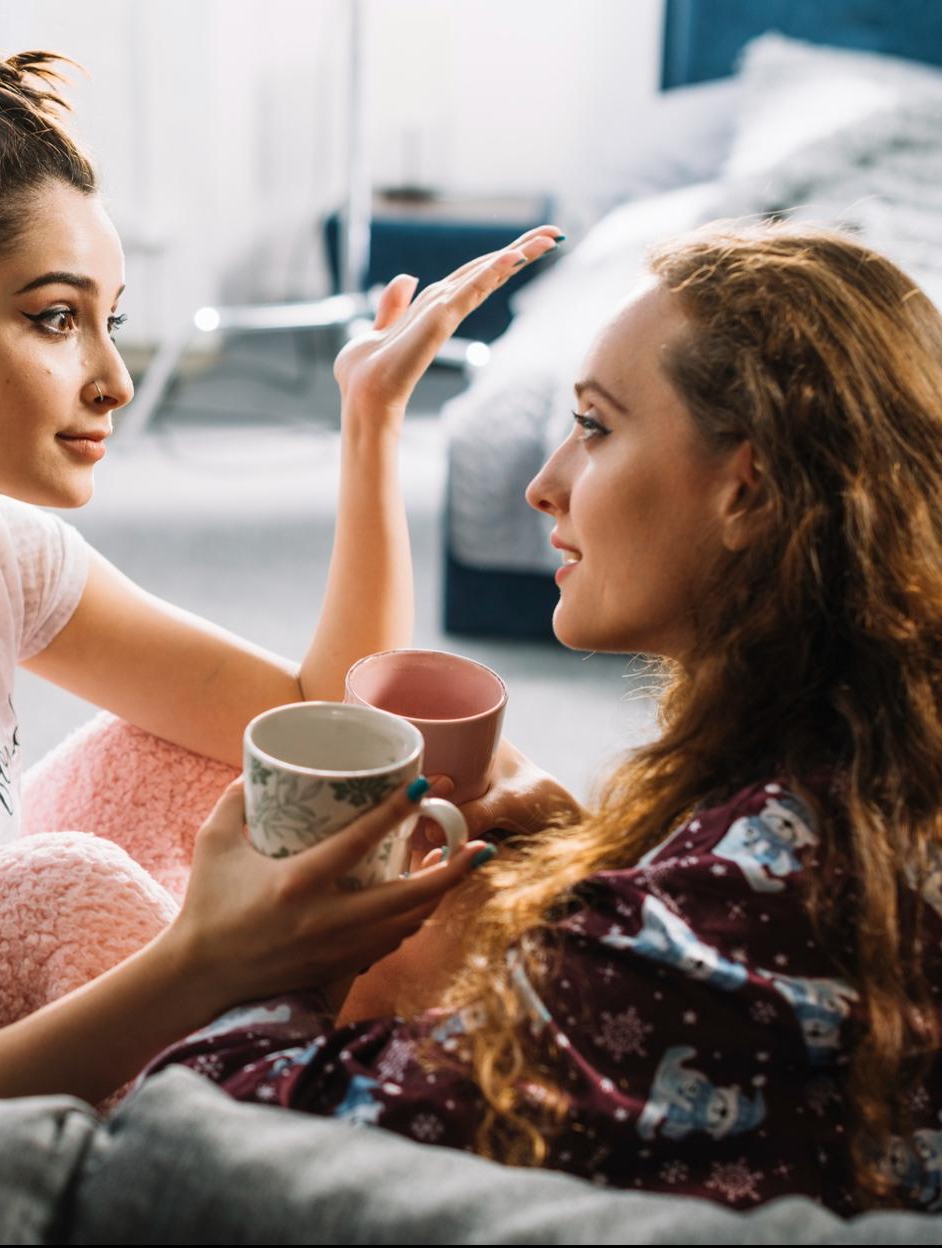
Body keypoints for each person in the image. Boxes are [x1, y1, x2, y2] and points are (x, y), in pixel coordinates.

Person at [0, 35, 562, 1101]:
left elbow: (319, 714)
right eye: (56, 320)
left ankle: (326, 1045)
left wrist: (371, 420)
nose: (114, 380)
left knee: (234, 770)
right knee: (81, 893)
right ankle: (281, 1090)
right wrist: (194, 967)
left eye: (111, 322)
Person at [142, 221, 942, 1216]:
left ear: (754, 486)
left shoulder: (724, 917)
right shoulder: (875, 768)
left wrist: (240, 955)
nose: (542, 482)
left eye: (597, 427)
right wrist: (596, 859)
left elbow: (200, 1144)